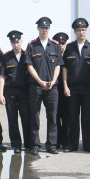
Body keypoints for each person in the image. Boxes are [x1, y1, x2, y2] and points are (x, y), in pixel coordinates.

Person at [24, 17, 64, 155]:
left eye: (46, 28)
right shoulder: (32, 46)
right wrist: (40, 82)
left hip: (52, 87)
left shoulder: (55, 45)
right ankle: (35, 145)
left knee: (52, 116)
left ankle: (51, 145)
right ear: (38, 29)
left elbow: (58, 65)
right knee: (34, 116)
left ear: (49, 29)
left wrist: (53, 81)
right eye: (42, 27)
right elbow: (29, 66)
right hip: (36, 86)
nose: (44, 30)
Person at [61, 18, 90, 153]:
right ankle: (72, 144)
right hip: (72, 88)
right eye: (78, 30)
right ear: (75, 32)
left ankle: (88, 145)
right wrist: (65, 85)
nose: (81, 32)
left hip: (88, 88)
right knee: (72, 117)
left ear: (87, 31)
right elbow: (64, 67)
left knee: (88, 117)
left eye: (83, 30)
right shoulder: (69, 48)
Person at [0, 30, 30, 154]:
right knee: (12, 119)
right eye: (13, 42)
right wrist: (0, 94)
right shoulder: (6, 57)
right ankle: (16, 144)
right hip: (10, 92)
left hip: (24, 92)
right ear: (11, 43)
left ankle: (28, 144)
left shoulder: (27, 55)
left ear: (21, 41)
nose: (16, 45)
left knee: (26, 118)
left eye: (17, 42)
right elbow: (2, 76)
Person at [52, 32, 70, 150]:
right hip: (55, 88)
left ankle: (66, 141)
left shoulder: (68, 55)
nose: (61, 46)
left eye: (63, 43)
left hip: (67, 89)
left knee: (67, 116)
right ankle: (57, 140)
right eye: (59, 43)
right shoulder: (52, 55)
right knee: (55, 115)